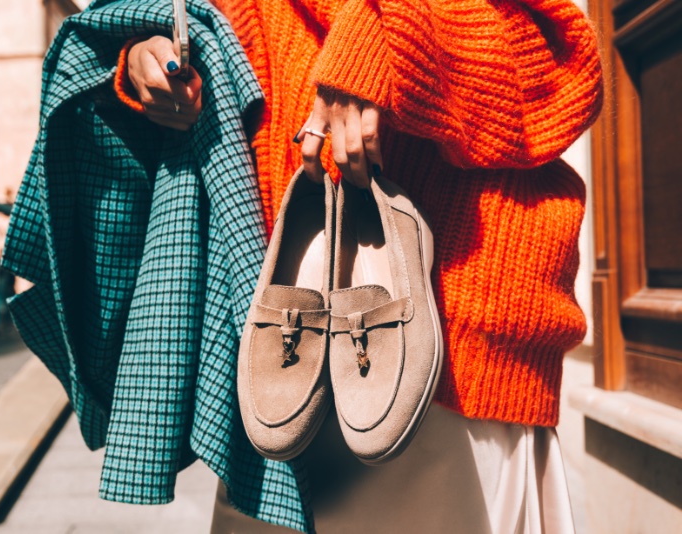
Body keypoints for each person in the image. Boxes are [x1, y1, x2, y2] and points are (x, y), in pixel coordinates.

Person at [113, 0, 603, 532]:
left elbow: (560, 68)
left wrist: (380, 40)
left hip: (448, 364)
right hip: (282, 354)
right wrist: (152, 64)